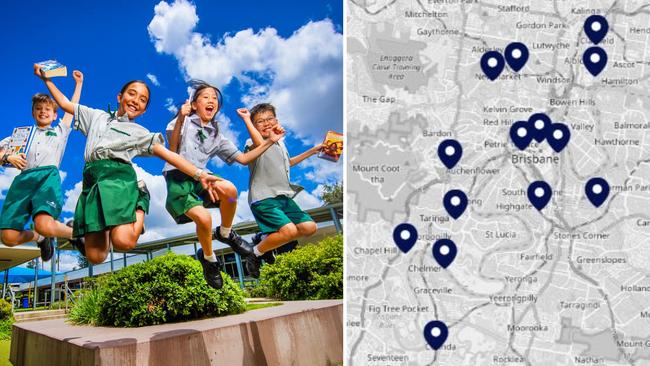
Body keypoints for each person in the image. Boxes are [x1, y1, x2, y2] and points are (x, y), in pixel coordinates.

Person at [34, 65, 221, 266]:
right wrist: (47, 80)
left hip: (119, 181)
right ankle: (84, 231)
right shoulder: (96, 116)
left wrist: (199, 173)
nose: (136, 101)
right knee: (96, 257)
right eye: (132, 94)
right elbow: (63, 103)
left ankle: (141, 198)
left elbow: (168, 154)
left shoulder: (139, 132)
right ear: (119, 96)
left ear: (144, 110)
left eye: (143, 100)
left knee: (124, 242)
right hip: (93, 182)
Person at [165, 81, 284, 289]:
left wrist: (270, 141)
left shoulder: (216, 135)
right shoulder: (181, 121)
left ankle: (226, 232)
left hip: (204, 179)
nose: (211, 101)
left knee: (229, 190)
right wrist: (180, 117)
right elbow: (173, 149)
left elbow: (244, 159)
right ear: (193, 105)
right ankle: (209, 258)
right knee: (204, 219)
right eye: (206, 97)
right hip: (179, 176)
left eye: (215, 99)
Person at [0, 70, 84, 261]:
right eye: (39, 108)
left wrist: (78, 84)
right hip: (23, 182)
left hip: (47, 178)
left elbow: (72, 107)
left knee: (44, 223)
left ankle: (75, 232)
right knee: (8, 237)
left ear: (55, 115)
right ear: (33, 112)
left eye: (48, 109)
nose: (43, 111)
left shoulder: (59, 132)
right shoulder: (21, 135)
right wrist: (7, 158)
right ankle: (40, 238)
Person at [236, 104, 322, 277]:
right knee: (289, 231)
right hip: (264, 197)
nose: (266, 123)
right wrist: (247, 119)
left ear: (277, 120)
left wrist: (313, 151)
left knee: (309, 227)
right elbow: (261, 144)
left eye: (269, 119)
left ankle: (263, 239)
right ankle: (255, 253)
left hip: (283, 197)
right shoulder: (252, 142)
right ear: (254, 126)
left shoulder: (280, 144)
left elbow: (288, 162)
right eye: (260, 121)